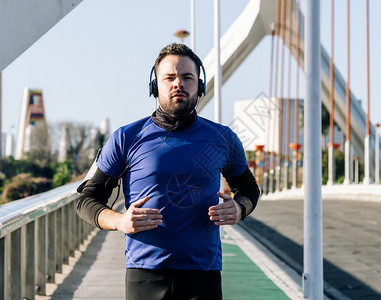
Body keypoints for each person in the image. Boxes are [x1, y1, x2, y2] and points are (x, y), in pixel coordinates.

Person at [77, 43, 260, 300]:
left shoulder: (223, 138)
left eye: (187, 77)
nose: (178, 84)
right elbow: (86, 200)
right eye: (169, 77)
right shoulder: (125, 137)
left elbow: (249, 189)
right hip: (145, 274)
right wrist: (119, 221)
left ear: (200, 85)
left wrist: (240, 208)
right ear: (155, 86)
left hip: (203, 275)